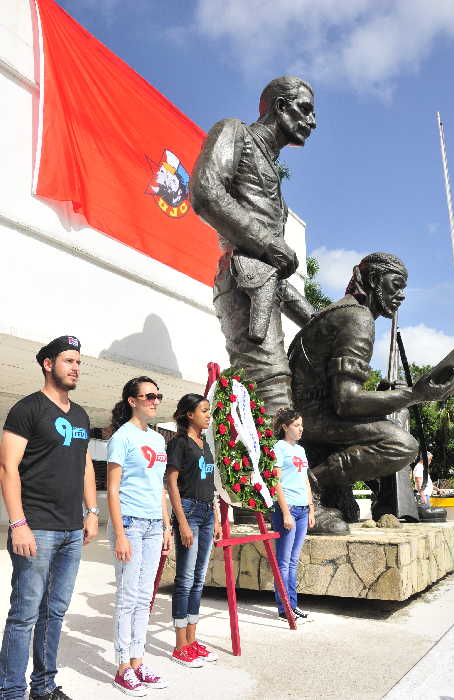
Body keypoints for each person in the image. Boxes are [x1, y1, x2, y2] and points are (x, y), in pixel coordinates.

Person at [288, 252, 454, 534]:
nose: (401, 295)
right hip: (314, 417)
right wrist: (417, 393)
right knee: (401, 444)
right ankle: (309, 484)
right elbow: (347, 402)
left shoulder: (343, 311)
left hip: (312, 410)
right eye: (396, 285)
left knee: (396, 411)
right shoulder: (358, 318)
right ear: (374, 281)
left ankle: (395, 503)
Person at [191, 76, 316, 415]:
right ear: (280, 107)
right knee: (271, 391)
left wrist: (317, 320)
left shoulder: (272, 168)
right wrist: (267, 242)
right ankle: (269, 468)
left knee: (286, 389)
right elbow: (206, 192)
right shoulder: (235, 132)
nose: (312, 122)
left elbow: (273, 267)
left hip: (262, 282)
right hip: (243, 280)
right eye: (305, 110)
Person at [0, 335, 98, 700]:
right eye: (68, 360)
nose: (75, 368)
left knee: (54, 612)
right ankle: (11, 692)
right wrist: (18, 522)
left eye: (78, 362)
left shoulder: (81, 414)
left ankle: (43, 687)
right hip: (36, 528)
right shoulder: (27, 409)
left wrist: (91, 512)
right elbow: (7, 467)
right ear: (48, 363)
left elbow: (86, 464)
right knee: (24, 614)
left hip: (72, 529)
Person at [107, 377, 172, 696]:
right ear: (132, 400)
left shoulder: (158, 440)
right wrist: (119, 534)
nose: (155, 400)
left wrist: (166, 526)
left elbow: (160, 489)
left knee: (145, 599)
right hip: (130, 524)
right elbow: (113, 489)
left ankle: (138, 660)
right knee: (128, 597)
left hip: (152, 526)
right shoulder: (122, 437)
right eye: (149, 396)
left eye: (157, 396)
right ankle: (122, 666)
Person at [165, 394, 221, 668]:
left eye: (209, 411)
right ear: (189, 414)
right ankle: (179, 645)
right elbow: (171, 483)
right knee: (185, 579)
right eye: (203, 411)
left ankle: (192, 639)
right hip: (188, 511)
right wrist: (182, 521)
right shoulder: (179, 443)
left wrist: (218, 517)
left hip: (207, 512)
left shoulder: (206, 444)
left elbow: (210, 484)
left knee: (199, 579)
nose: (208, 415)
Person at [272, 408, 315, 621]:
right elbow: (276, 482)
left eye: (301, 426)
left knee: (293, 560)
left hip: (302, 510)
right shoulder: (278, 448)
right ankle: (284, 608)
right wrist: (286, 512)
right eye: (296, 425)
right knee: (283, 561)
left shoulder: (301, 450)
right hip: (286, 510)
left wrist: (311, 508)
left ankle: (293, 604)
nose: (300, 429)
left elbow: (305, 481)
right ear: (285, 427)